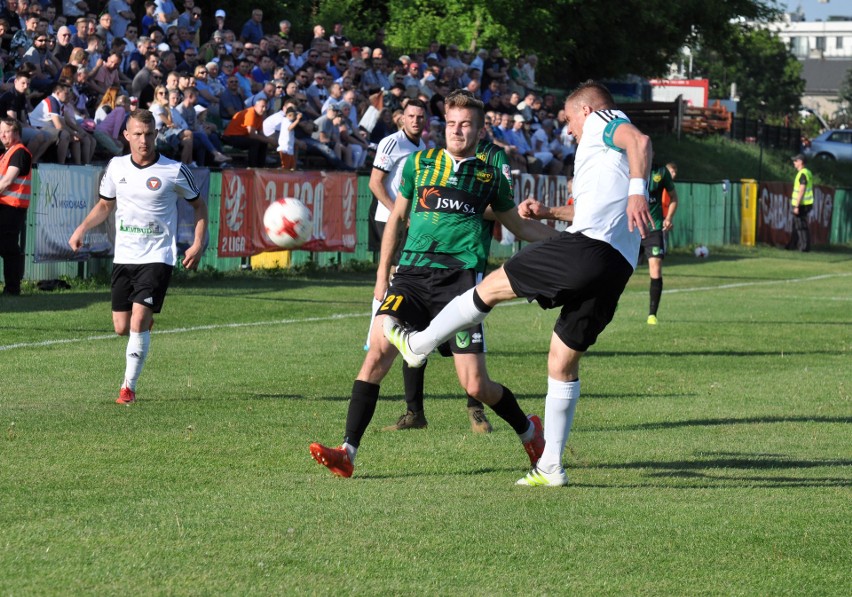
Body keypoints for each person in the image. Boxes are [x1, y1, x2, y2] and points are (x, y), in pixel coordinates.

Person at [384, 81, 655, 487]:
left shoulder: (603, 120)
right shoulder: (605, 158)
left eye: (568, 120)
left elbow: (640, 140)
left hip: (588, 250)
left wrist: (638, 194)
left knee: (490, 287)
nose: (569, 130)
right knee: (562, 362)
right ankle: (550, 467)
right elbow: (592, 210)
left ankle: (417, 344)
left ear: (584, 111)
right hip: (617, 265)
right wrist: (549, 212)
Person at [309, 90, 559, 479]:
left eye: (467, 125)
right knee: (376, 353)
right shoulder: (418, 164)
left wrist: (566, 241)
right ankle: (347, 452)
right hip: (410, 275)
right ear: (444, 125)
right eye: (453, 124)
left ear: (479, 131)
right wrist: (382, 274)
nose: (458, 131)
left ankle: (529, 431)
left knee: (474, 383)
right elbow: (396, 219)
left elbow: (519, 226)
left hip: (458, 283)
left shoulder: (489, 176)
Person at [68, 109, 207, 404]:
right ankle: (143, 325)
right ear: (127, 136)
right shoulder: (117, 167)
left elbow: (200, 207)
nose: (144, 140)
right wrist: (81, 227)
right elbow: (106, 205)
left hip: (158, 255)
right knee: (122, 327)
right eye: (138, 134)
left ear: (156, 135)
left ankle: (127, 388)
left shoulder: (174, 170)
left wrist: (198, 243)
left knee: (138, 320)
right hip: (125, 256)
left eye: (149, 134)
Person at [0, 119, 32, 296]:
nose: (2, 135)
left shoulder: (19, 152)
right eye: (1, 131)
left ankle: (12, 288)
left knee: (9, 247)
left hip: (12, 207)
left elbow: (7, 181)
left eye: (7, 131)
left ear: (17, 133)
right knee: (7, 247)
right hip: (5, 206)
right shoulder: (7, 153)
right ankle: (12, 287)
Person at [644, 161, 679, 325]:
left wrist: (668, 218)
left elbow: (674, 197)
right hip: (631, 227)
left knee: (655, 268)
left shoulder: (660, 172)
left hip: (654, 227)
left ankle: (652, 314)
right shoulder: (627, 167)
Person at [787, 153, 813, 252]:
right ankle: (792, 245)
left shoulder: (803, 173)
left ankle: (804, 248)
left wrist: (797, 206)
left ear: (801, 162)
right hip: (805, 203)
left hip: (802, 204)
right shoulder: (807, 172)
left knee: (801, 226)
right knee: (797, 225)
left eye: (795, 161)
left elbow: (802, 189)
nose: (794, 163)